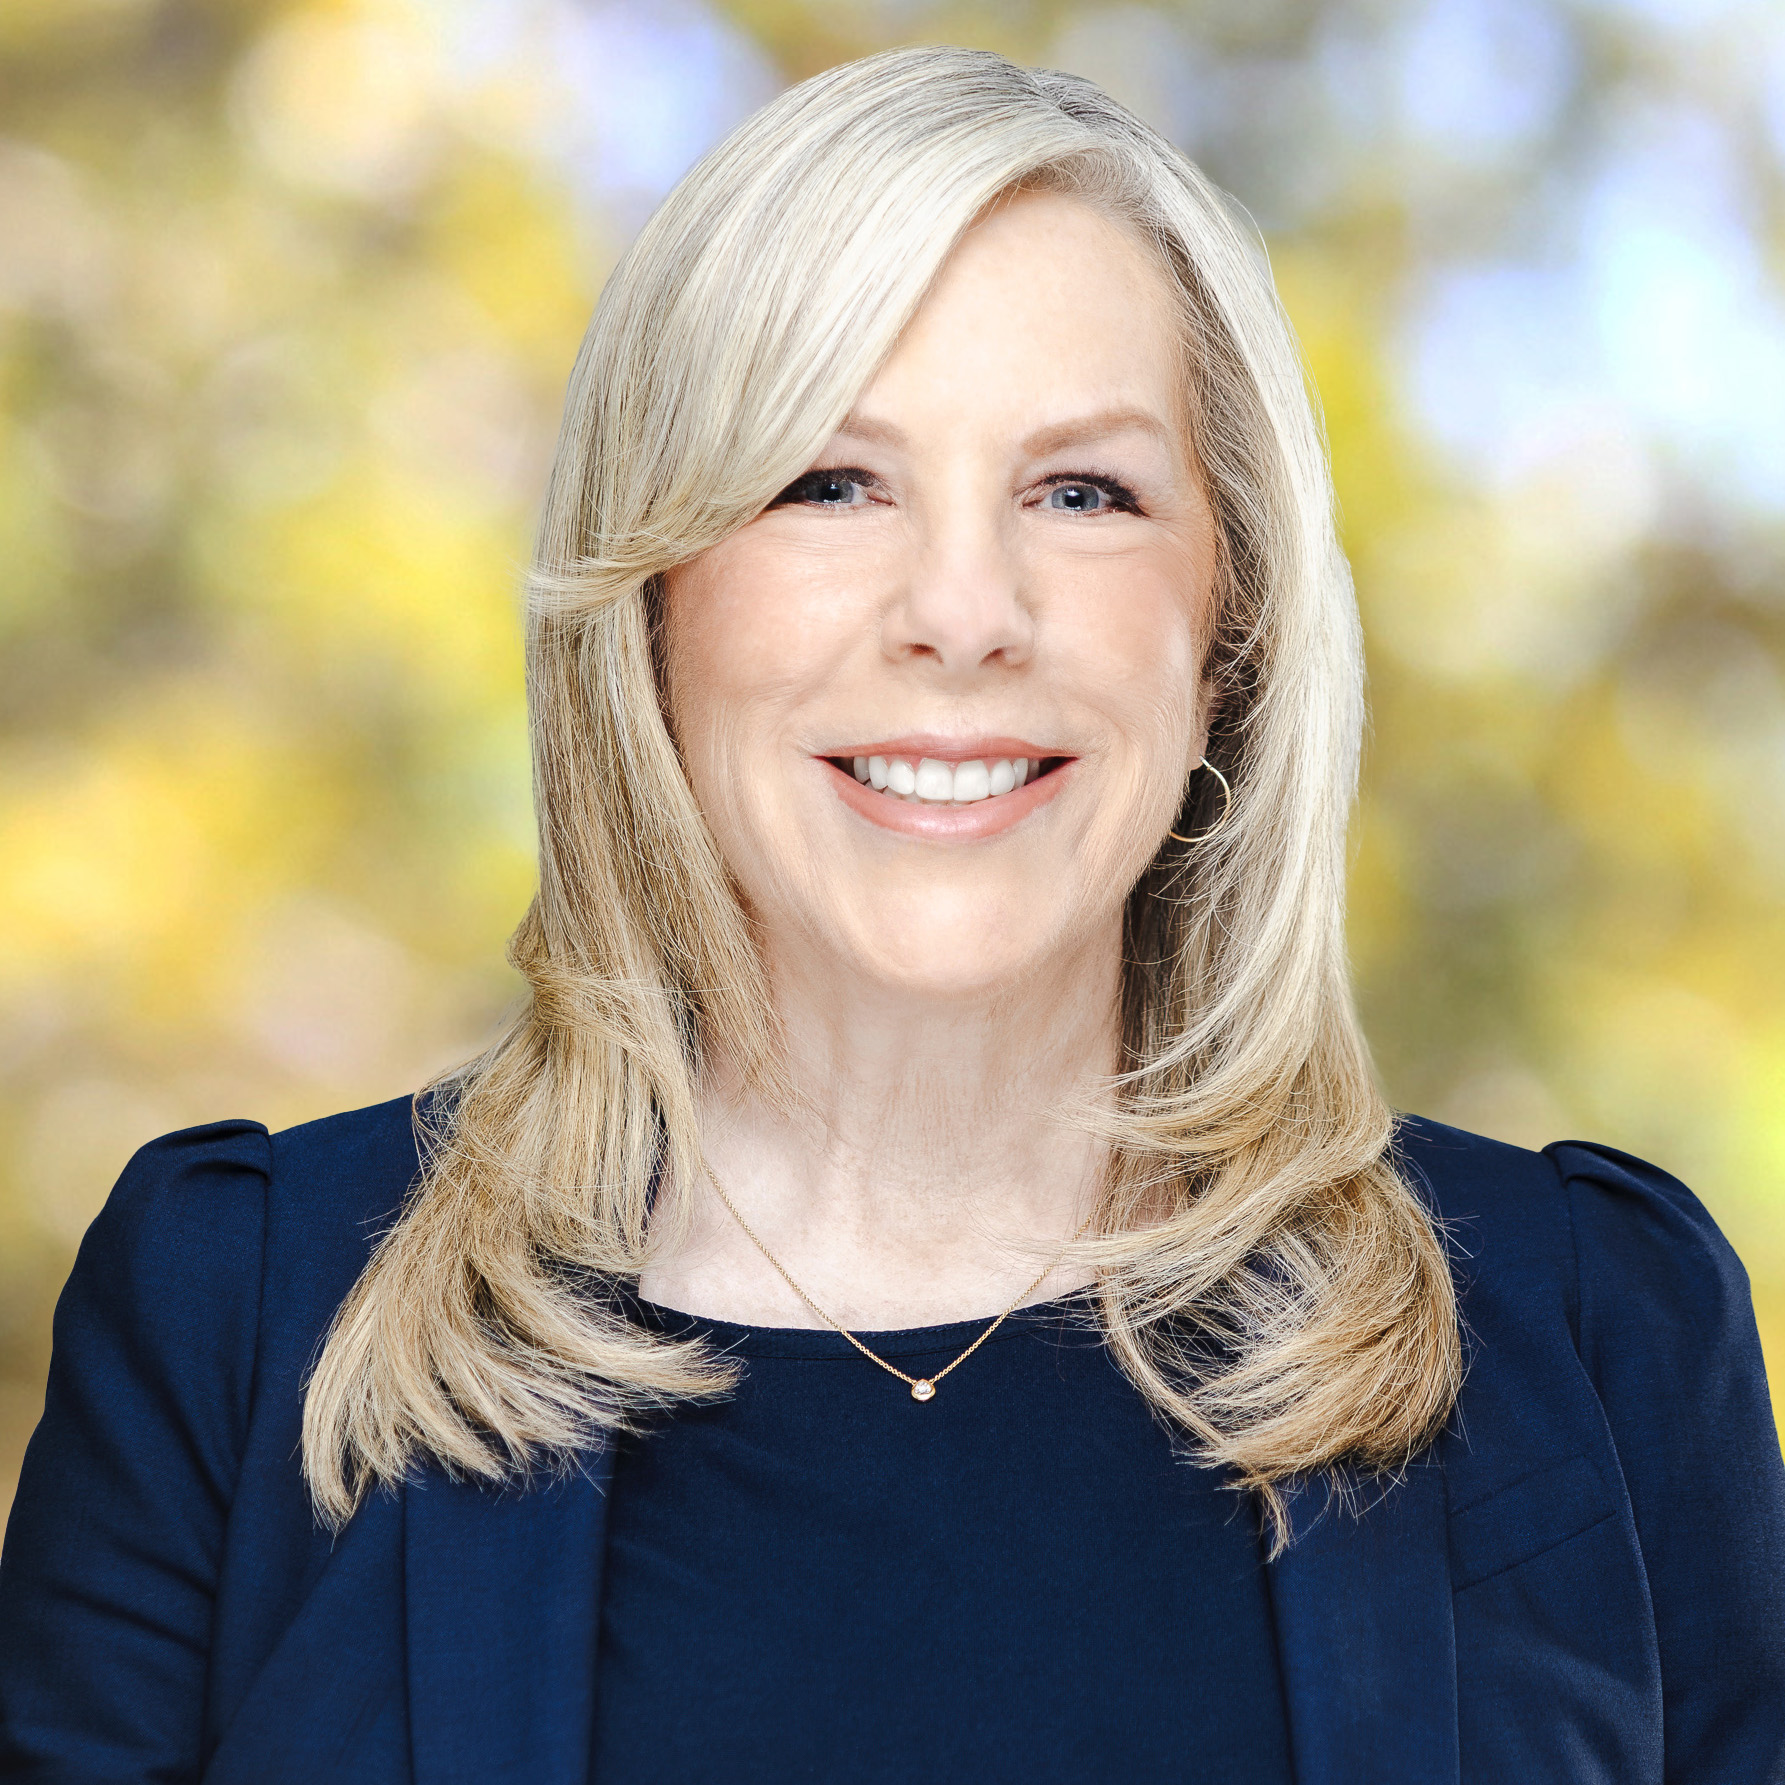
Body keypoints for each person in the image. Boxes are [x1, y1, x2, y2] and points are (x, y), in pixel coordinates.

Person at [2, 44, 1781, 1785]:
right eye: (830, 481)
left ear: (1225, 630)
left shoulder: (1594, 1340)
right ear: (653, 602)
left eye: (1081, 492)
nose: (962, 609)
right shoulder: (241, 1325)